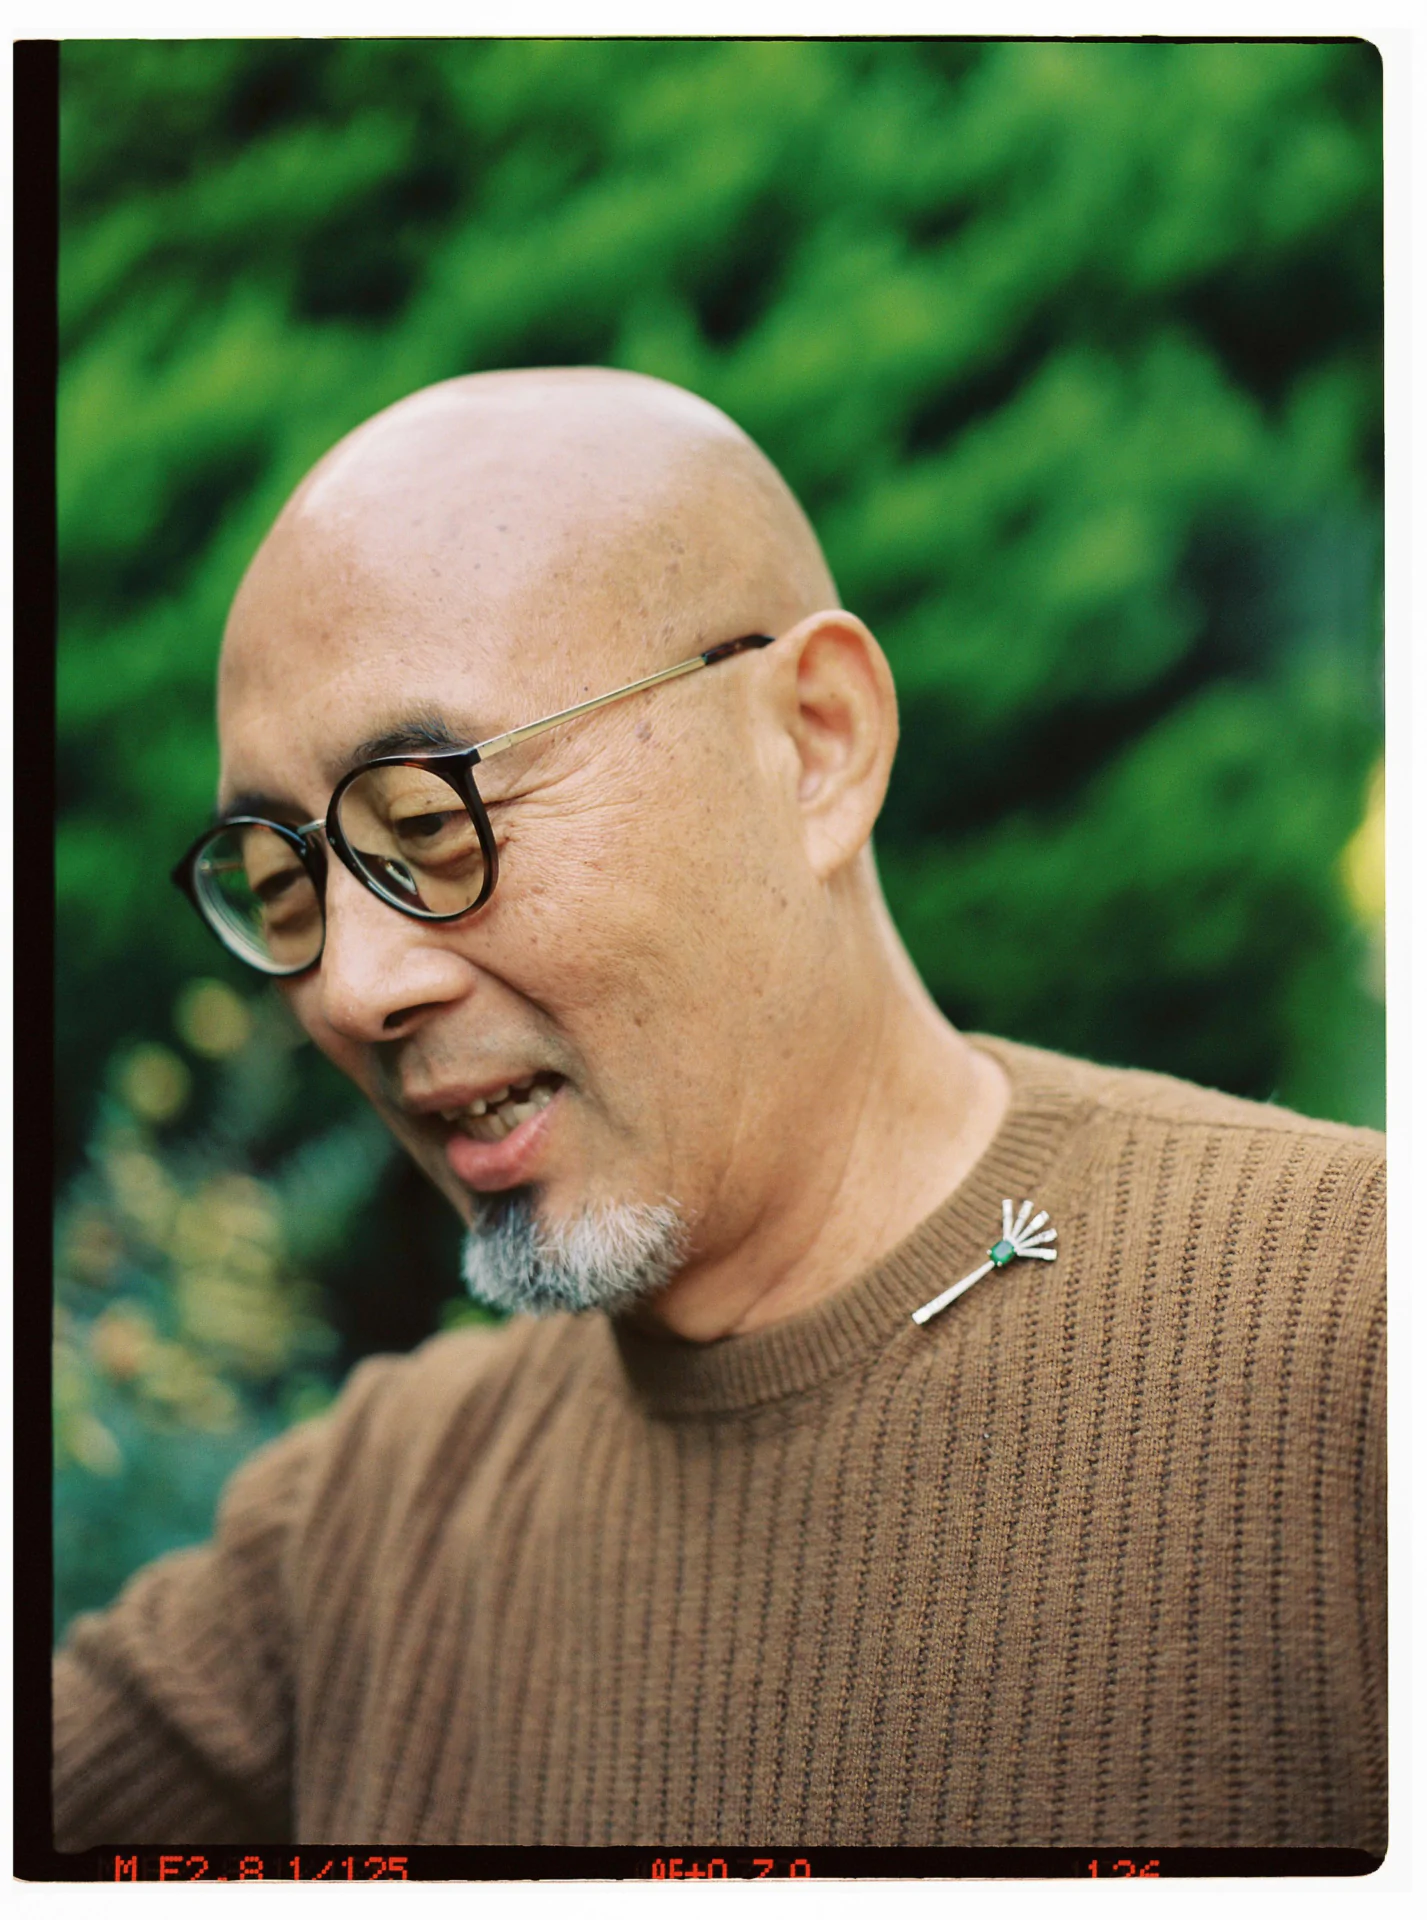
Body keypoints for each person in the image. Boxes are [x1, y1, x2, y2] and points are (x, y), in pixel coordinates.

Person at [53, 368, 1385, 1853]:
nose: (353, 989)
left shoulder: (1353, 1335)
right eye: (287, 887)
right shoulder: (351, 1548)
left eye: (427, 826)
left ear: (815, 741)